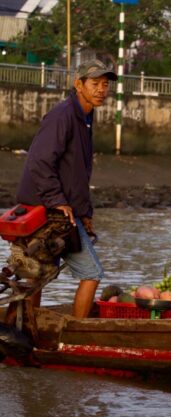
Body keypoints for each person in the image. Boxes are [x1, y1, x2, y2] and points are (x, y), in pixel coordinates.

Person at [16, 59, 117, 318]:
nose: (101, 90)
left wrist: (85, 214)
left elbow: (76, 175)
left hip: (63, 210)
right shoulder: (63, 115)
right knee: (91, 274)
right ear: (78, 84)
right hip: (47, 210)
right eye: (95, 83)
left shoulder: (84, 117)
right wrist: (56, 200)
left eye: (105, 85)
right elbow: (39, 161)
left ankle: (25, 329)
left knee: (37, 275)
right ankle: (74, 333)